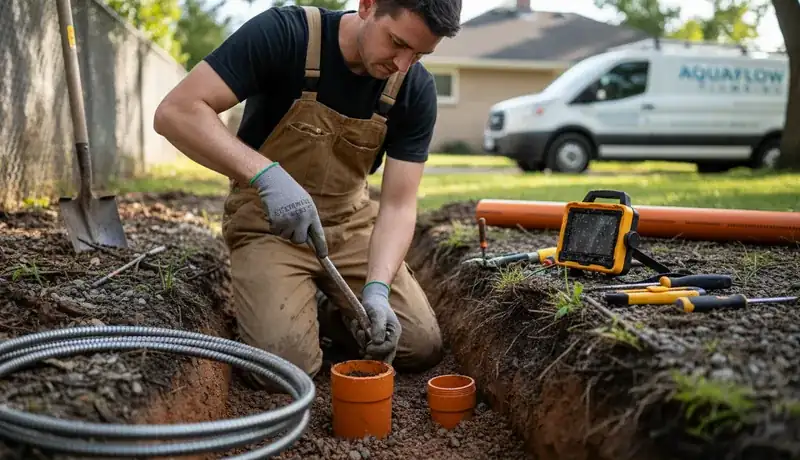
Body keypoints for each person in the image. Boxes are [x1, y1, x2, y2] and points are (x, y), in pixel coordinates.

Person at [153, 0, 462, 384]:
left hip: (349, 227)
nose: (402, 63)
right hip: (269, 226)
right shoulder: (286, 35)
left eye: (419, 54)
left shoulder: (414, 88)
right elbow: (176, 112)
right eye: (397, 42)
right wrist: (266, 176)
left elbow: (398, 206)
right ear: (367, 5)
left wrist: (378, 289)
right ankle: (294, 307)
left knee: (418, 344)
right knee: (285, 367)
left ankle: (325, 307)